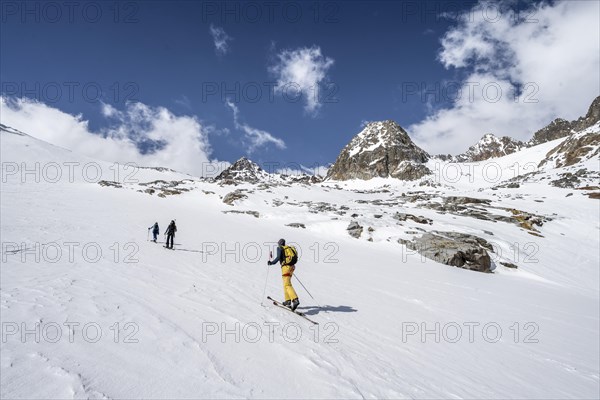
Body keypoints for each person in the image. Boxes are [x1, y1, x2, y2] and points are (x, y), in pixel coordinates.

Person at [268, 238, 299, 311]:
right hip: (292, 267)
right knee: (286, 283)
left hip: (286, 268)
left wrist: (271, 263)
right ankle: (288, 300)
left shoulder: (280, 248)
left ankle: (295, 300)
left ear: (279, 243)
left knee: (287, 284)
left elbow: (278, 257)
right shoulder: (288, 248)